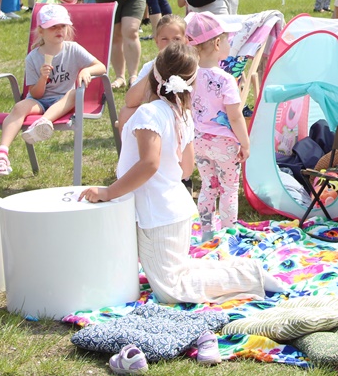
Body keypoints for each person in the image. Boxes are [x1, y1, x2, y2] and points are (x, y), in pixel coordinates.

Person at [78, 41, 286, 307]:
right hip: (175, 209)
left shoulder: (149, 113)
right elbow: (186, 169)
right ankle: (243, 270)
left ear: (153, 74)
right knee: (179, 270)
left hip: (158, 215)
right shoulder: (182, 114)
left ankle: (249, 275)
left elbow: (149, 164)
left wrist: (109, 191)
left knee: (171, 288)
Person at [0, 4, 107, 178]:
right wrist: (43, 78)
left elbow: (101, 67)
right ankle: (2, 155)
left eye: (62, 26)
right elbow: (36, 93)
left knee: (74, 94)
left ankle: (42, 123)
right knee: (19, 107)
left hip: (63, 100)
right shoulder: (33, 57)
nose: (59, 30)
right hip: (39, 100)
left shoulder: (72, 49)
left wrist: (86, 70)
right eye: (53, 27)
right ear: (41, 31)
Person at [186, 12, 248, 241]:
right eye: (228, 39)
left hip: (199, 140)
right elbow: (235, 116)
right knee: (229, 188)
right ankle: (229, 234)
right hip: (225, 143)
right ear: (217, 43)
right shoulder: (226, 80)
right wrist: (245, 143)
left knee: (208, 186)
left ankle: (206, 233)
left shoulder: (188, 76)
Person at [119, 14, 188, 131]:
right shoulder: (150, 66)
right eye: (164, 39)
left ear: (185, 41)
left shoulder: (190, 65)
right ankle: (128, 144)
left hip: (185, 115)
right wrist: (156, 69)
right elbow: (130, 101)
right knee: (126, 112)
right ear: (156, 41)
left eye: (176, 39)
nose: (170, 44)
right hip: (157, 115)